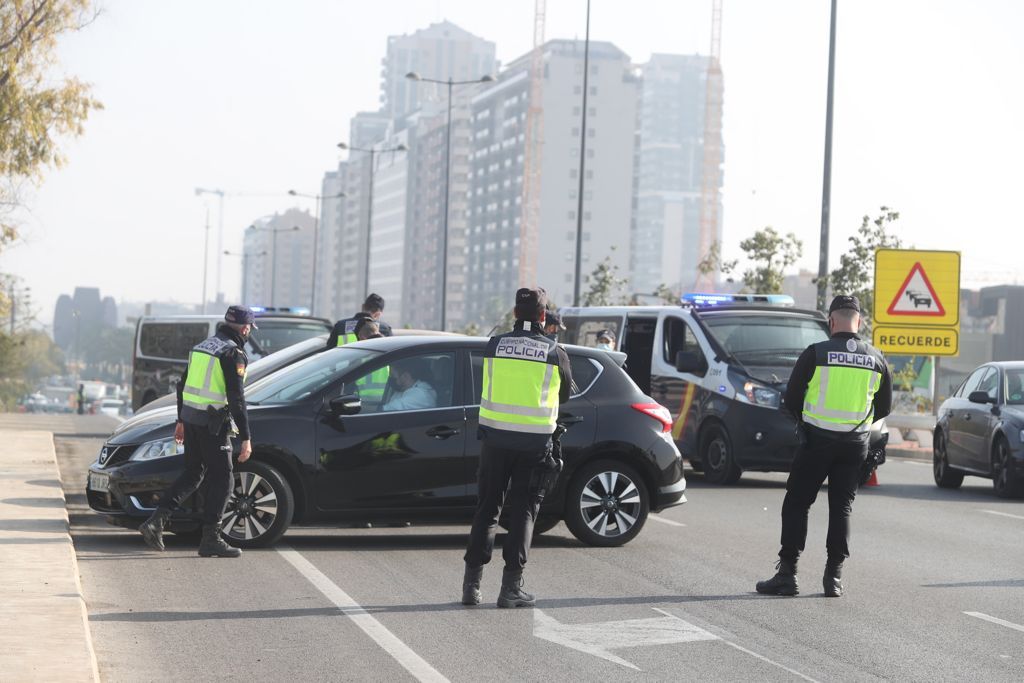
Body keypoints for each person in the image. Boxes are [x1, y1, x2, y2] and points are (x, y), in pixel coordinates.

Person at [756, 295, 892, 597]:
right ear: (860, 322)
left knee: (797, 503)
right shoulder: (876, 358)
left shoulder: (815, 353)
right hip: (854, 445)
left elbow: (791, 399)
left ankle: (788, 574)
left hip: (816, 441)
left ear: (831, 321)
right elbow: (883, 408)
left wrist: (809, 420)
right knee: (841, 508)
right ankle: (834, 578)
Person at [462, 287, 573, 608]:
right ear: (543, 315)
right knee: (524, 511)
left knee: (487, 509)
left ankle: (471, 586)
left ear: (514, 314)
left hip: (495, 440)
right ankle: (510, 588)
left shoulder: (495, 346)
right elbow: (564, 395)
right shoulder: (555, 352)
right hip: (534, 443)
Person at [138, 305, 256, 558]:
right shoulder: (232, 353)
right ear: (246, 328)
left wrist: (181, 419)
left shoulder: (203, 347)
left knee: (194, 473)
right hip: (213, 424)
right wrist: (246, 437)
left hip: (192, 420)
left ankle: (156, 520)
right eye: (249, 329)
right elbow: (236, 398)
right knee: (224, 479)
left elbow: (182, 385)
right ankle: (211, 538)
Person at [327, 293, 393, 347]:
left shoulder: (340, 325)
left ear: (363, 306)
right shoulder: (385, 329)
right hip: (372, 363)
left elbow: (329, 350)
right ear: (378, 314)